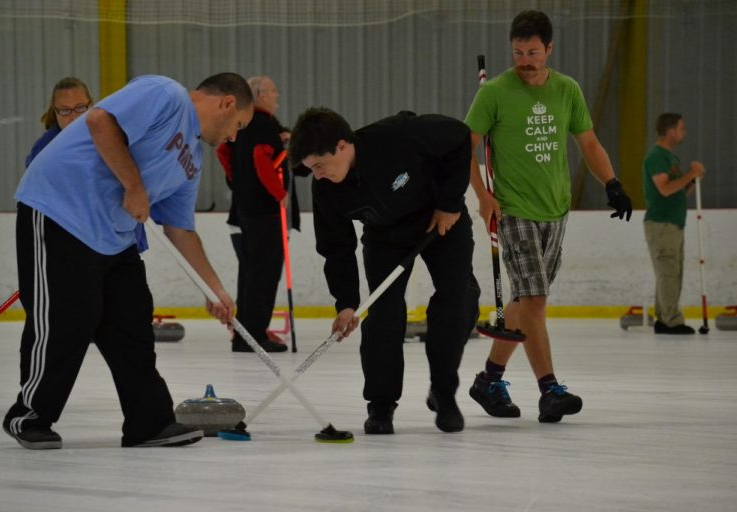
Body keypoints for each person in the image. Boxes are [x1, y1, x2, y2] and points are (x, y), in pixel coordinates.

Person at [4, 72, 254, 450]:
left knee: (132, 324)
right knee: (68, 320)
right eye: (238, 126)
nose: (234, 136)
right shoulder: (164, 93)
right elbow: (100, 121)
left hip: (113, 237)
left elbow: (180, 229)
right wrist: (135, 187)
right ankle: (30, 416)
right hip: (60, 211)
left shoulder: (194, 159)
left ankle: (148, 424)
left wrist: (214, 290)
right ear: (227, 103)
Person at [464, 10, 632, 423]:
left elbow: (589, 143)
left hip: (555, 211)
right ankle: (549, 389)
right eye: (518, 52)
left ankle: (490, 379)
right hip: (513, 210)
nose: (525, 60)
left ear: (549, 49)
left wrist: (612, 183)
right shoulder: (494, 93)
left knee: (524, 304)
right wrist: (484, 196)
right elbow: (463, 149)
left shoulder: (567, 90)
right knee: (535, 299)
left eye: (533, 52)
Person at [289, 107, 480, 434]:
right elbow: (336, 249)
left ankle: (444, 393)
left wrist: (449, 203)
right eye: (311, 169)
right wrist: (346, 303)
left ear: (342, 146)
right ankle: (381, 405)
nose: (318, 175)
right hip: (385, 238)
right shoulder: (325, 188)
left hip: (440, 222)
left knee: (459, 300)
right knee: (383, 314)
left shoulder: (397, 136)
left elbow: (460, 138)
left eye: (319, 165)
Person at [216, 76, 307, 352]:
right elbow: (260, 159)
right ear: (260, 95)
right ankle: (254, 336)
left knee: (250, 274)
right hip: (266, 213)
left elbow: (223, 150)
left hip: (243, 212)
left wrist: (237, 181)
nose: (277, 95)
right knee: (264, 275)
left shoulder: (243, 125)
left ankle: (244, 334)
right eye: (273, 90)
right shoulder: (264, 124)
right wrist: (280, 194)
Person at [643, 113, 705, 334]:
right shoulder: (657, 157)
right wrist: (690, 174)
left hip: (673, 223)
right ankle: (671, 319)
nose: (684, 133)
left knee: (671, 272)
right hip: (662, 223)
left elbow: (678, 191)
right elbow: (665, 189)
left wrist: (693, 178)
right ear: (670, 131)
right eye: (681, 128)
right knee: (668, 271)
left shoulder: (671, 158)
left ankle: (663, 316)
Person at [25, 77, 93, 167]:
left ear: (91, 105)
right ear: (55, 111)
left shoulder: (106, 134)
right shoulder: (44, 149)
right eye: (65, 110)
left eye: (80, 108)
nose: (73, 117)